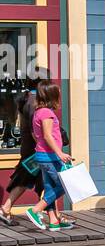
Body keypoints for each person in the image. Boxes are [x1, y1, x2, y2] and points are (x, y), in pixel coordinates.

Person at [0, 69, 48, 226]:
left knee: (28, 178)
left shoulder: (28, 98)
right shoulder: (34, 102)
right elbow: (37, 131)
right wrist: (46, 146)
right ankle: (48, 215)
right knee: (48, 180)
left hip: (29, 148)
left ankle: (7, 209)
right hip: (36, 150)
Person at [25, 81, 74, 232]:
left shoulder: (38, 112)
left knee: (50, 188)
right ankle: (35, 210)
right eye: (58, 93)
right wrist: (60, 153)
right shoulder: (46, 113)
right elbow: (47, 135)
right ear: (52, 96)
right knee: (64, 185)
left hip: (43, 156)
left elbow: (36, 135)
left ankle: (53, 221)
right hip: (50, 157)